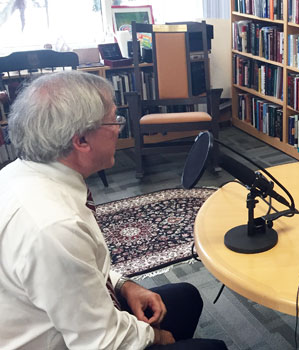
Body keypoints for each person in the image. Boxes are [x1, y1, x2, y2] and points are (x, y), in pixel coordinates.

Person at [0, 71, 227, 350]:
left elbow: (80, 271)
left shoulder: (19, 173)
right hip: (63, 341)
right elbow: (101, 342)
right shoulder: (54, 227)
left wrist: (125, 286)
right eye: (114, 120)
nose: (120, 128)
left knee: (186, 296)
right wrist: (156, 338)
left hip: (66, 320)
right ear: (81, 140)